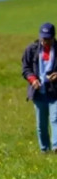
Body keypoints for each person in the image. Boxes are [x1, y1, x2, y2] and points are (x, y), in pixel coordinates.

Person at [22, 22, 57, 153]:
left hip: (55, 92)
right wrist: (33, 80)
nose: (45, 41)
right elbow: (25, 69)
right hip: (38, 92)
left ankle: (56, 146)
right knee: (41, 125)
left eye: (48, 38)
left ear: (53, 37)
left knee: (55, 118)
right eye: (43, 38)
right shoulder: (31, 49)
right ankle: (45, 150)